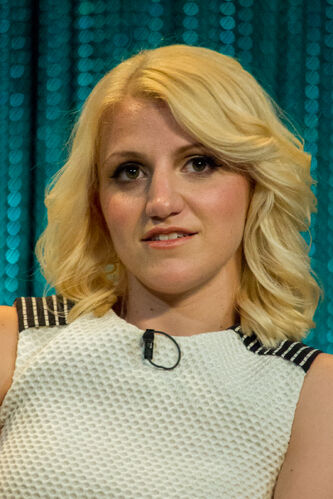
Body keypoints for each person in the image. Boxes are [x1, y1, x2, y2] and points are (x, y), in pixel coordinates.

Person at [0, 43, 333, 498]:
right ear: (97, 202)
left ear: (258, 186)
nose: (161, 202)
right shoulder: (14, 341)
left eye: (200, 163)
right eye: (129, 171)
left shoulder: (312, 391)